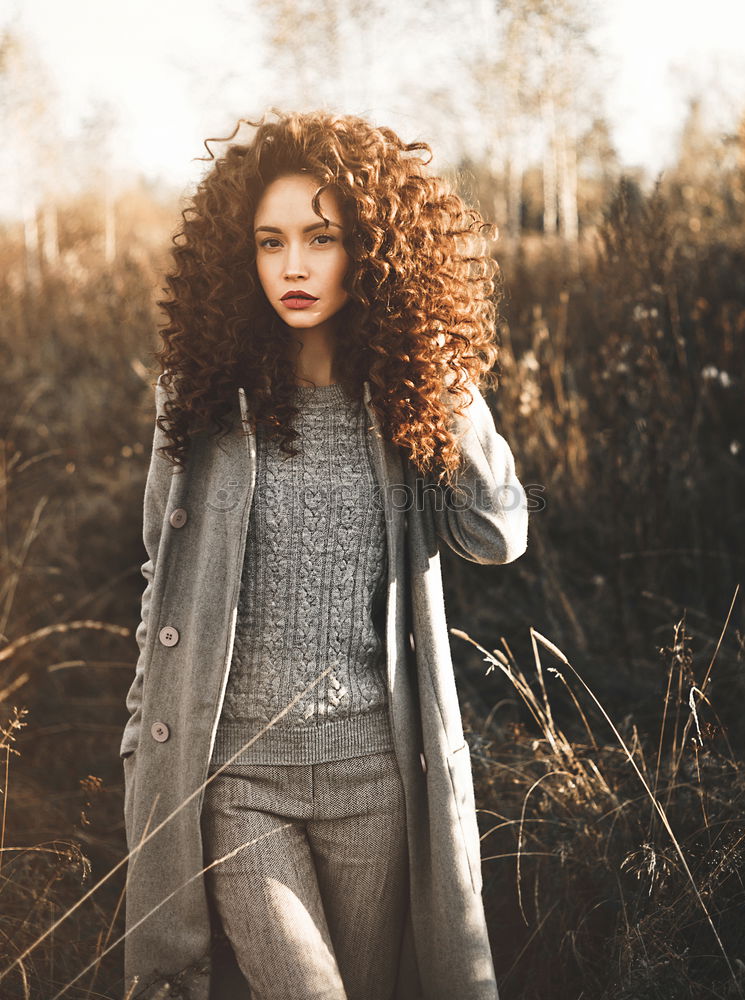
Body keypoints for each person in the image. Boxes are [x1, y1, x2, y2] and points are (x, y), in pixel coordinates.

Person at [120, 108, 528, 1000]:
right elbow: (162, 574)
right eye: (270, 242)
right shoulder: (200, 400)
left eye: (321, 237)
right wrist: (141, 732)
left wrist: (443, 375)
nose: (293, 267)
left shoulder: (405, 404)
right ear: (243, 256)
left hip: (375, 777)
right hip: (236, 775)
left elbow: (496, 536)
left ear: (374, 250)